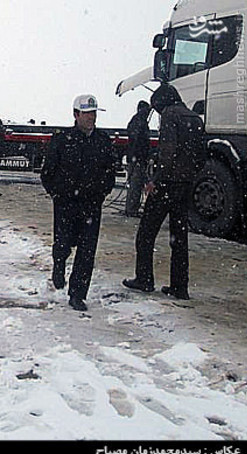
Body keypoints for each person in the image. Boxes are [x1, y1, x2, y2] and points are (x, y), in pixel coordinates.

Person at [123, 84, 205, 300]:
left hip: (167, 184)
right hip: (185, 185)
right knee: (179, 239)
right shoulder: (196, 118)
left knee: (146, 234)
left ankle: (144, 279)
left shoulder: (170, 114)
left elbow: (167, 152)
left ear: (161, 102)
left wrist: (155, 181)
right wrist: (189, 177)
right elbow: (200, 156)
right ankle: (180, 286)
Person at [40, 94, 117, 312]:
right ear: (76, 115)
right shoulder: (63, 140)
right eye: (87, 114)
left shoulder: (103, 141)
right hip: (66, 203)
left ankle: (77, 294)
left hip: (92, 204)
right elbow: (48, 172)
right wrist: (57, 193)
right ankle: (59, 264)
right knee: (63, 241)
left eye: (93, 113)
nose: (91, 118)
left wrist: (102, 191)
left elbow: (110, 171)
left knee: (87, 250)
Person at [125, 100, 152, 216]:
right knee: (136, 184)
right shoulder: (140, 122)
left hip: (136, 158)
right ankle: (131, 210)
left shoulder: (136, 121)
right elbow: (138, 142)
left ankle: (132, 208)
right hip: (137, 159)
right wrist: (138, 158)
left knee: (136, 184)